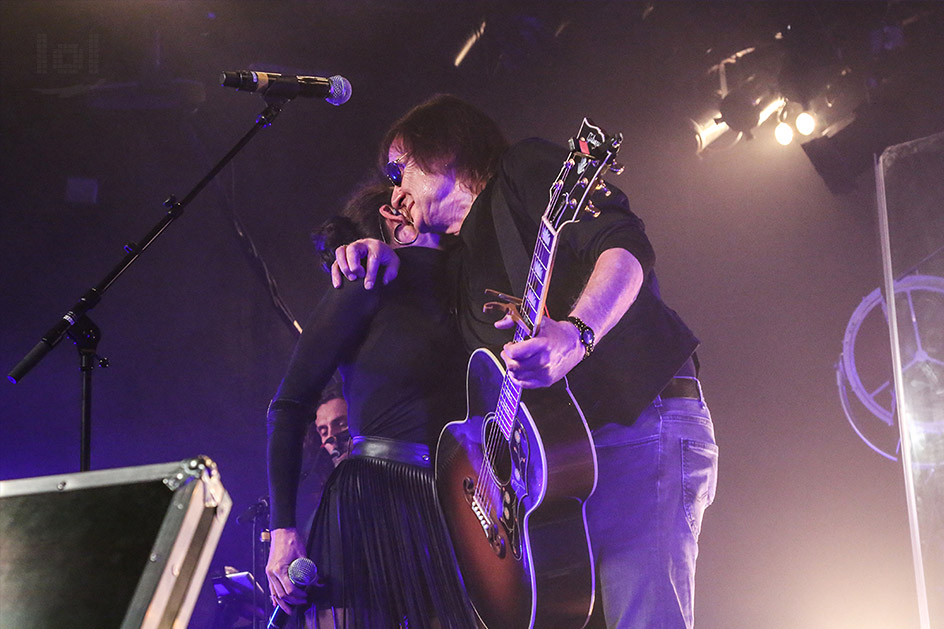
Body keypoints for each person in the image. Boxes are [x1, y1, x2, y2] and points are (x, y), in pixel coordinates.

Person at [332, 95, 719, 628]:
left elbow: (624, 247)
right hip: (556, 473)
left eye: (401, 168)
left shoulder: (523, 170)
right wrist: (376, 251)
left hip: (636, 426)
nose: (395, 190)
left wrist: (577, 333)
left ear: (444, 149)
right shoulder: (458, 263)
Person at [265, 183, 477, 628]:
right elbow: (289, 404)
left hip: (457, 499)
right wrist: (283, 530)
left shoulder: (476, 284)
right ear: (395, 213)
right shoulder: (366, 280)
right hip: (371, 500)